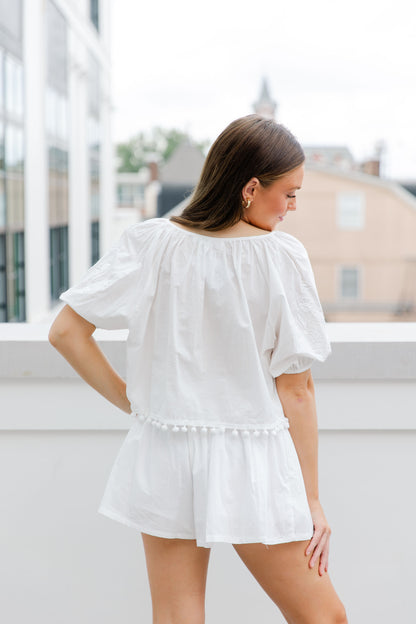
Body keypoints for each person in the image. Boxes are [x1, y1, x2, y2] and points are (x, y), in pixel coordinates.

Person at [49, 114, 348, 624]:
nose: (293, 208)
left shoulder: (151, 243)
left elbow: (65, 333)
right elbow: (297, 392)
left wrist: (137, 404)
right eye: (290, 193)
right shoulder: (282, 259)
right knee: (323, 617)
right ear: (251, 188)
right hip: (255, 457)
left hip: (168, 451)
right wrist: (311, 500)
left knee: (176, 617)